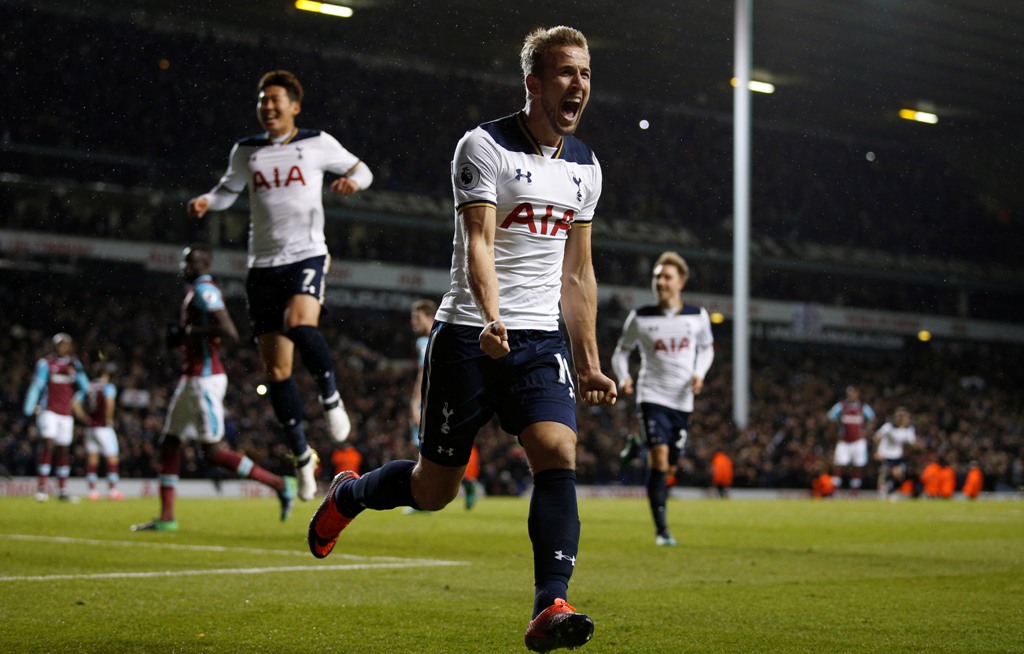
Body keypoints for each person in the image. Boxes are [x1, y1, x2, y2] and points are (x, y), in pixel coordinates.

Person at [308, 26, 616, 652]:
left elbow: (577, 272)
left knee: (558, 452)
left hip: (539, 341)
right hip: (470, 336)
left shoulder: (586, 166)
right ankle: (352, 493)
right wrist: (491, 315)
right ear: (533, 82)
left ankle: (550, 604)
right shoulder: (482, 147)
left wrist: (588, 362)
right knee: (434, 489)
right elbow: (477, 241)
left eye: (584, 73)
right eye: (564, 73)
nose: (577, 85)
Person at [187, 69, 374, 501]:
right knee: (277, 372)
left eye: (275, 100)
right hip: (262, 266)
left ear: (294, 106)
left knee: (302, 325)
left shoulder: (315, 142)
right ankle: (302, 457)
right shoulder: (246, 151)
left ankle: (330, 399)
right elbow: (227, 191)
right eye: (262, 101)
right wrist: (206, 201)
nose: (268, 107)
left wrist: (350, 181)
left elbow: (363, 171)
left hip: (306, 253)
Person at [132, 245, 297, 532]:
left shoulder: (205, 290)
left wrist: (189, 332)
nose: (184, 265)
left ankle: (279, 484)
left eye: (190, 261)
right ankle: (167, 518)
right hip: (191, 379)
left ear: (203, 263)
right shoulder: (196, 289)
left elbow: (230, 331)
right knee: (169, 443)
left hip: (204, 381)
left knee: (212, 451)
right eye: (184, 260)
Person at [610, 252, 715, 546]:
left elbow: (707, 348)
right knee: (660, 459)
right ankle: (662, 530)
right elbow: (621, 352)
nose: (661, 282)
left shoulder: (697, 316)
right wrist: (625, 377)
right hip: (652, 394)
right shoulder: (641, 317)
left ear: (681, 282)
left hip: (682, 400)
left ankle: (637, 446)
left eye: (667, 276)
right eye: (657, 276)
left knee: (670, 467)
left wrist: (699, 373)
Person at [23, 332, 90, 502]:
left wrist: (76, 400)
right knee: (48, 443)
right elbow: (38, 385)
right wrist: (30, 406)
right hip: (49, 410)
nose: (63, 347)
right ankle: (42, 488)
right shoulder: (46, 363)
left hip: (66, 413)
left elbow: (85, 387)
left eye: (66, 344)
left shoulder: (75, 364)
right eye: (60, 344)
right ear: (54, 346)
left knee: (64, 449)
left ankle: (62, 490)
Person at [72, 358, 124, 501]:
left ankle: (93, 492)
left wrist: (84, 418)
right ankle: (113, 491)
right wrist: (108, 418)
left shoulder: (88, 387)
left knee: (92, 459)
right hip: (103, 427)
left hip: (90, 428)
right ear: (105, 374)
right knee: (112, 458)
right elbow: (109, 402)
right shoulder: (108, 387)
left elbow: (75, 404)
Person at [827, 385, 875, 496]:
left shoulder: (863, 407)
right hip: (844, 441)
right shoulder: (841, 406)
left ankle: (854, 491)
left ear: (857, 394)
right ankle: (834, 490)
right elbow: (830, 418)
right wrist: (835, 433)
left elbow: (872, 419)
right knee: (839, 464)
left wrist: (866, 433)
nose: (851, 395)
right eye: (849, 393)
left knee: (858, 465)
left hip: (858, 441)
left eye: (853, 393)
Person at [408, 299, 438, 447]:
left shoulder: (425, 343)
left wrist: (415, 404)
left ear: (430, 318)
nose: (414, 322)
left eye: (417, 318)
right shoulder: (440, 340)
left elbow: (424, 374)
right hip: (439, 404)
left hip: (429, 406)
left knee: (423, 455)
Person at [873, 406, 916, 500]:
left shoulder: (909, 429)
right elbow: (876, 437)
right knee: (889, 473)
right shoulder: (889, 426)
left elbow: (912, 443)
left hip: (898, 455)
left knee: (900, 475)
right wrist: (877, 451)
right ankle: (884, 492)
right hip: (885, 454)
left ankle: (889, 491)